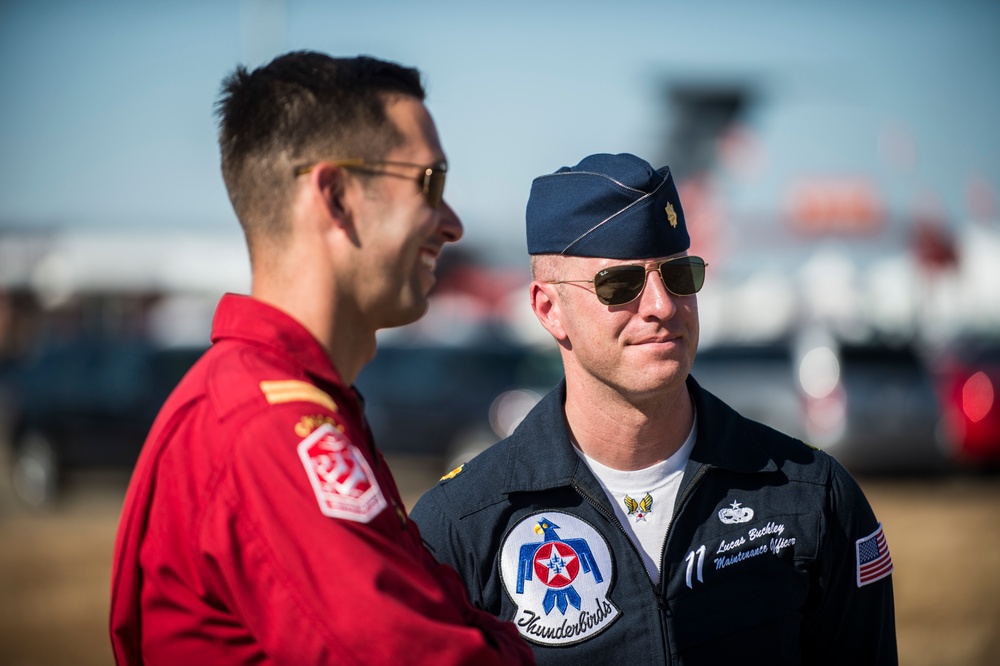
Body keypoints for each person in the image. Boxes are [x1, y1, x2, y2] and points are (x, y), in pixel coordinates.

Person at [109, 51, 534, 665]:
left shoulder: (284, 403)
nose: (453, 223)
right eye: (430, 184)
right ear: (335, 196)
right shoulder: (270, 427)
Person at [410, 153, 897, 664]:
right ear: (549, 310)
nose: (663, 305)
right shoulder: (463, 525)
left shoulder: (811, 497)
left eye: (680, 275)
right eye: (621, 284)